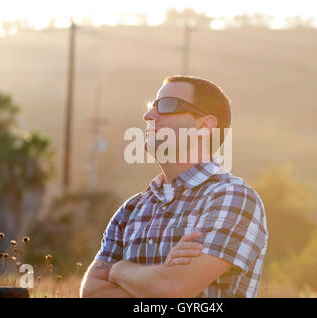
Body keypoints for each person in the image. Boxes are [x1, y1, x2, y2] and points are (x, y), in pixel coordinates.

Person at [80, 75, 268, 298]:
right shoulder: (131, 210)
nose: (148, 115)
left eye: (166, 106)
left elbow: (172, 289)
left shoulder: (233, 198)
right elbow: (92, 293)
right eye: (152, 106)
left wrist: (120, 270)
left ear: (205, 126)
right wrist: (160, 279)